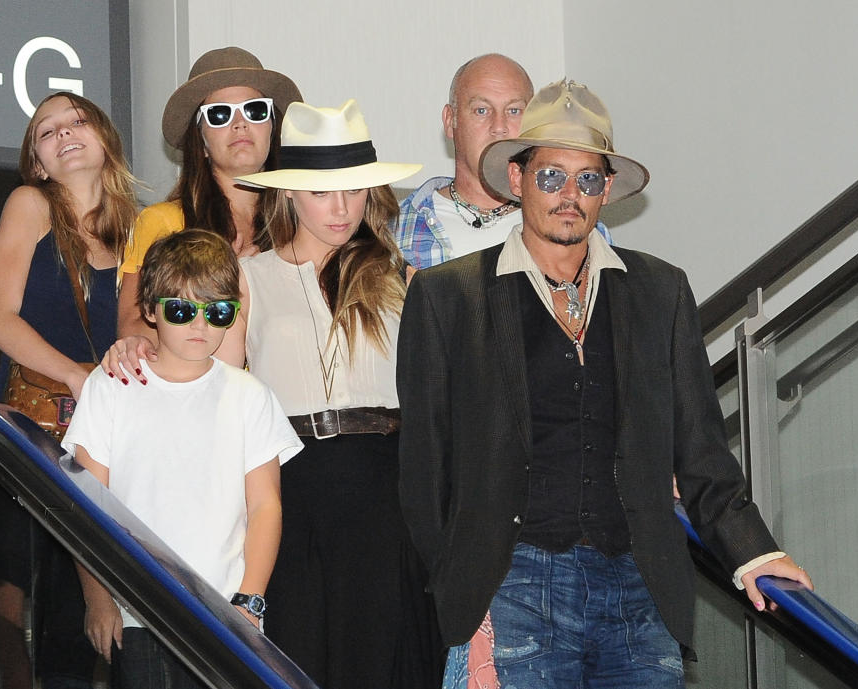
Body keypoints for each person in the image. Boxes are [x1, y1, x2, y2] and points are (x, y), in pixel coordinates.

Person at [396, 79, 814, 688]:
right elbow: (424, 475)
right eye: (550, 177)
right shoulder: (449, 298)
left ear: (607, 190)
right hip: (513, 589)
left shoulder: (659, 290)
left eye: (588, 179)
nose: (570, 196)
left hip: (641, 591)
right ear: (517, 180)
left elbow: (699, 447)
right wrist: (466, 602)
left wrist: (755, 550)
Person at [105, 100, 440, 689]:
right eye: (320, 192)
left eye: (355, 190)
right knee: (300, 660)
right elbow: (212, 396)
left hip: (388, 491)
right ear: (287, 195)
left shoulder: (405, 280)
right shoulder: (246, 279)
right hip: (293, 483)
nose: (340, 209)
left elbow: (442, 409)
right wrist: (132, 349)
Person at [62, 229, 302, 688]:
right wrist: (98, 598)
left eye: (217, 311)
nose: (199, 325)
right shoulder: (110, 386)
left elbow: (266, 507)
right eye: (180, 309)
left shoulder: (249, 396)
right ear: (150, 310)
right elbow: (85, 504)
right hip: (138, 611)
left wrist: (249, 601)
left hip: (227, 616)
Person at [0, 92, 137, 689]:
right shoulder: (30, 203)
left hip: (105, 446)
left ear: (105, 140)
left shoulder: (135, 230)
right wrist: (77, 375)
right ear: (39, 162)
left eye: (78, 121)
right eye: (48, 131)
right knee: (19, 597)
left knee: (90, 622)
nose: (65, 133)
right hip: (34, 434)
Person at [117, 46, 302, 340]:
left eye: (255, 111)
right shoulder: (162, 222)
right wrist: (222, 286)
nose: (240, 123)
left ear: (272, 129)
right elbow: (131, 331)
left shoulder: (302, 223)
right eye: (219, 114)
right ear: (200, 142)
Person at [395, 54, 537, 268]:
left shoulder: (570, 226)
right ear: (450, 120)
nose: (499, 127)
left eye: (514, 111)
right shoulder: (394, 231)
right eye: (482, 110)